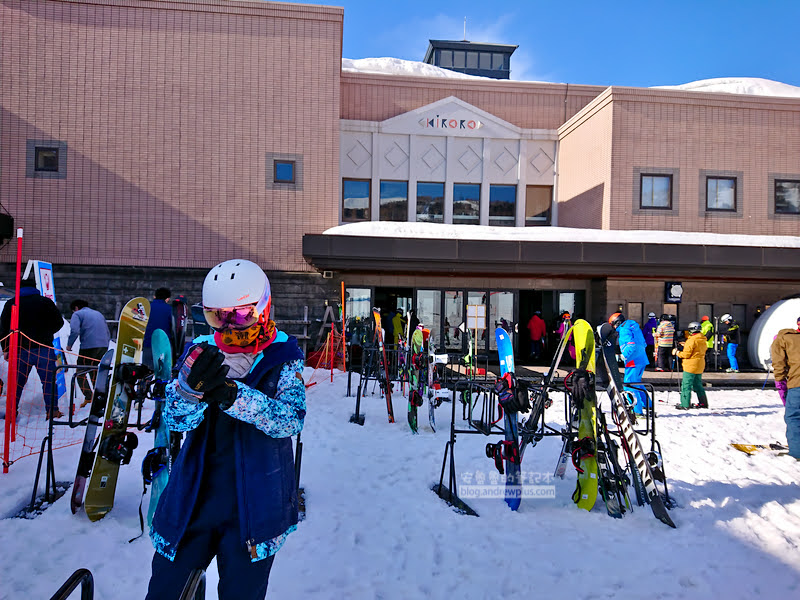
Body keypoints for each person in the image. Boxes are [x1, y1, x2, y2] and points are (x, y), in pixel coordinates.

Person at [146, 259, 305, 600]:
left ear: (262, 309)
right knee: (166, 589)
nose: (230, 327)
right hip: (195, 497)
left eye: (240, 315)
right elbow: (175, 420)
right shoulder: (201, 351)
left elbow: (290, 420)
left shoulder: (283, 356)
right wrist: (189, 393)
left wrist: (235, 396)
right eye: (218, 316)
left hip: (257, 504)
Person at [0, 279, 65, 419]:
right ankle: (52, 412)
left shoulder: (12, 303)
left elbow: (4, 328)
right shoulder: (46, 302)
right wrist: (47, 333)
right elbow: (59, 322)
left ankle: (11, 413)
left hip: (19, 350)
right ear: (35, 288)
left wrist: (6, 348)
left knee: (16, 384)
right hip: (44, 348)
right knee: (48, 382)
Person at [66, 299, 111, 406]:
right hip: (103, 346)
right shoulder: (98, 314)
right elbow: (107, 331)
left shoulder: (77, 314)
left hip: (89, 347)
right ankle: (101, 396)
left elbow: (75, 330)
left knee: (80, 372)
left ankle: (89, 396)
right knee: (94, 370)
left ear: (76, 308)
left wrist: (69, 345)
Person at [770, 316, 800, 459]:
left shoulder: (785, 338)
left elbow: (779, 364)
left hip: (797, 383)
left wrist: (780, 382)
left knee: (794, 417)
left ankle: (797, 453)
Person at [609, 312, 650, 414]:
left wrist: (623, 356)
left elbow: (631, 345)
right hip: (641, 359)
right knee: (637, 383)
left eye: (613, 324)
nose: (613, 327)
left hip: (633, 360)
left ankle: (637, 411)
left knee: (629, 384)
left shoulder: (624, 330)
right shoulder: (634, 327)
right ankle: (648, 405)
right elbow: (643, 343)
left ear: (617, 322)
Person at [673, 321, 709, 410]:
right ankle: (703, 403)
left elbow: (686, 355)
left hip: (690, 365)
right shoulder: (702, 339)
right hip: (700, 364)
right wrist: (686, 345)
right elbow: (697, 349)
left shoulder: (691, 340)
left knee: (686, 385)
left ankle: (685, 404)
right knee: (697, 385)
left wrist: (677, 352)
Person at [143, 287, 175, 370]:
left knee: (146, 371)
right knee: (162, 373)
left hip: (148, 344)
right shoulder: (170, 310)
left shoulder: (146, 308)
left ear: (154, 296)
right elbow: (174, 328)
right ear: (167, 299)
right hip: (163, 345)